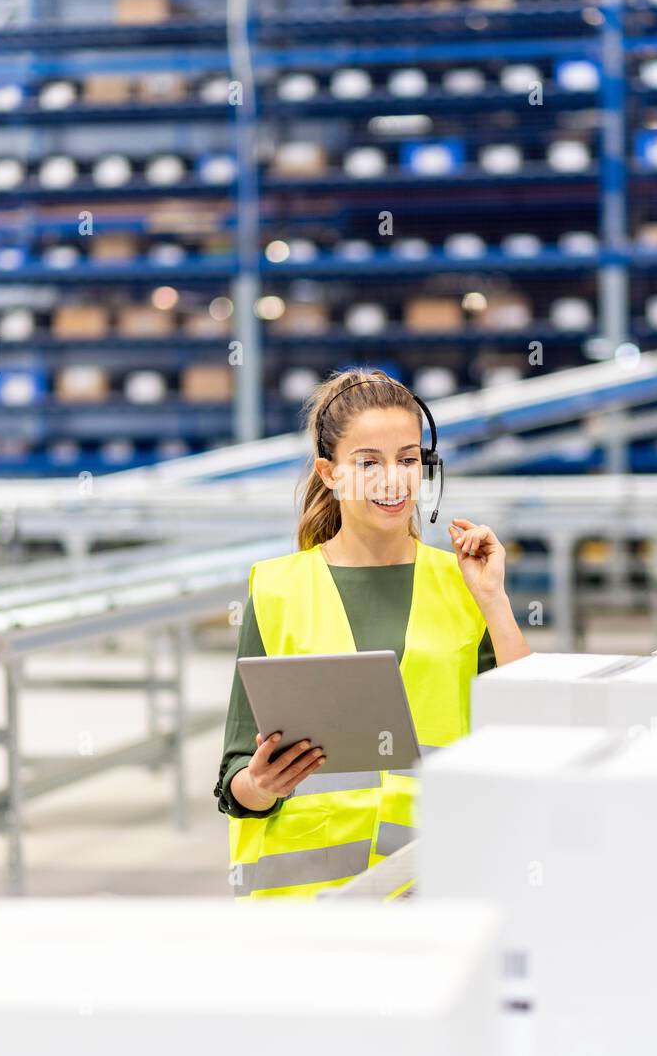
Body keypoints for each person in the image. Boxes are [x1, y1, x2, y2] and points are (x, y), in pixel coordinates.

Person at [214, 368, 531, 899]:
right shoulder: (276, 589)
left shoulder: (464, 582)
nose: (393, 479)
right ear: (330, 473)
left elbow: (532, 724)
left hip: (437, 886)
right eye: (368, 463)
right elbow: (236, 775)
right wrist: (261, 786)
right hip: (308, 910)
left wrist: (494, 601)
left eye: (408, 459)